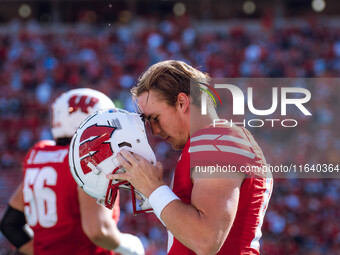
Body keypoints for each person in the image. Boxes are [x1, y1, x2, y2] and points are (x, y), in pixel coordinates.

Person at [107, 60, 273, 255]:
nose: (154, 131)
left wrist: (152, 188)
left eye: (155, 118)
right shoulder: (211, 142)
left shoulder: (218, 141)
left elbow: (206, 240)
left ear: (182, 102)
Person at [0, 88, 144, 255]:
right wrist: (130, 246)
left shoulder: (38, 154)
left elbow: (10, 224)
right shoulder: (87, 159)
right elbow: (99, 231)